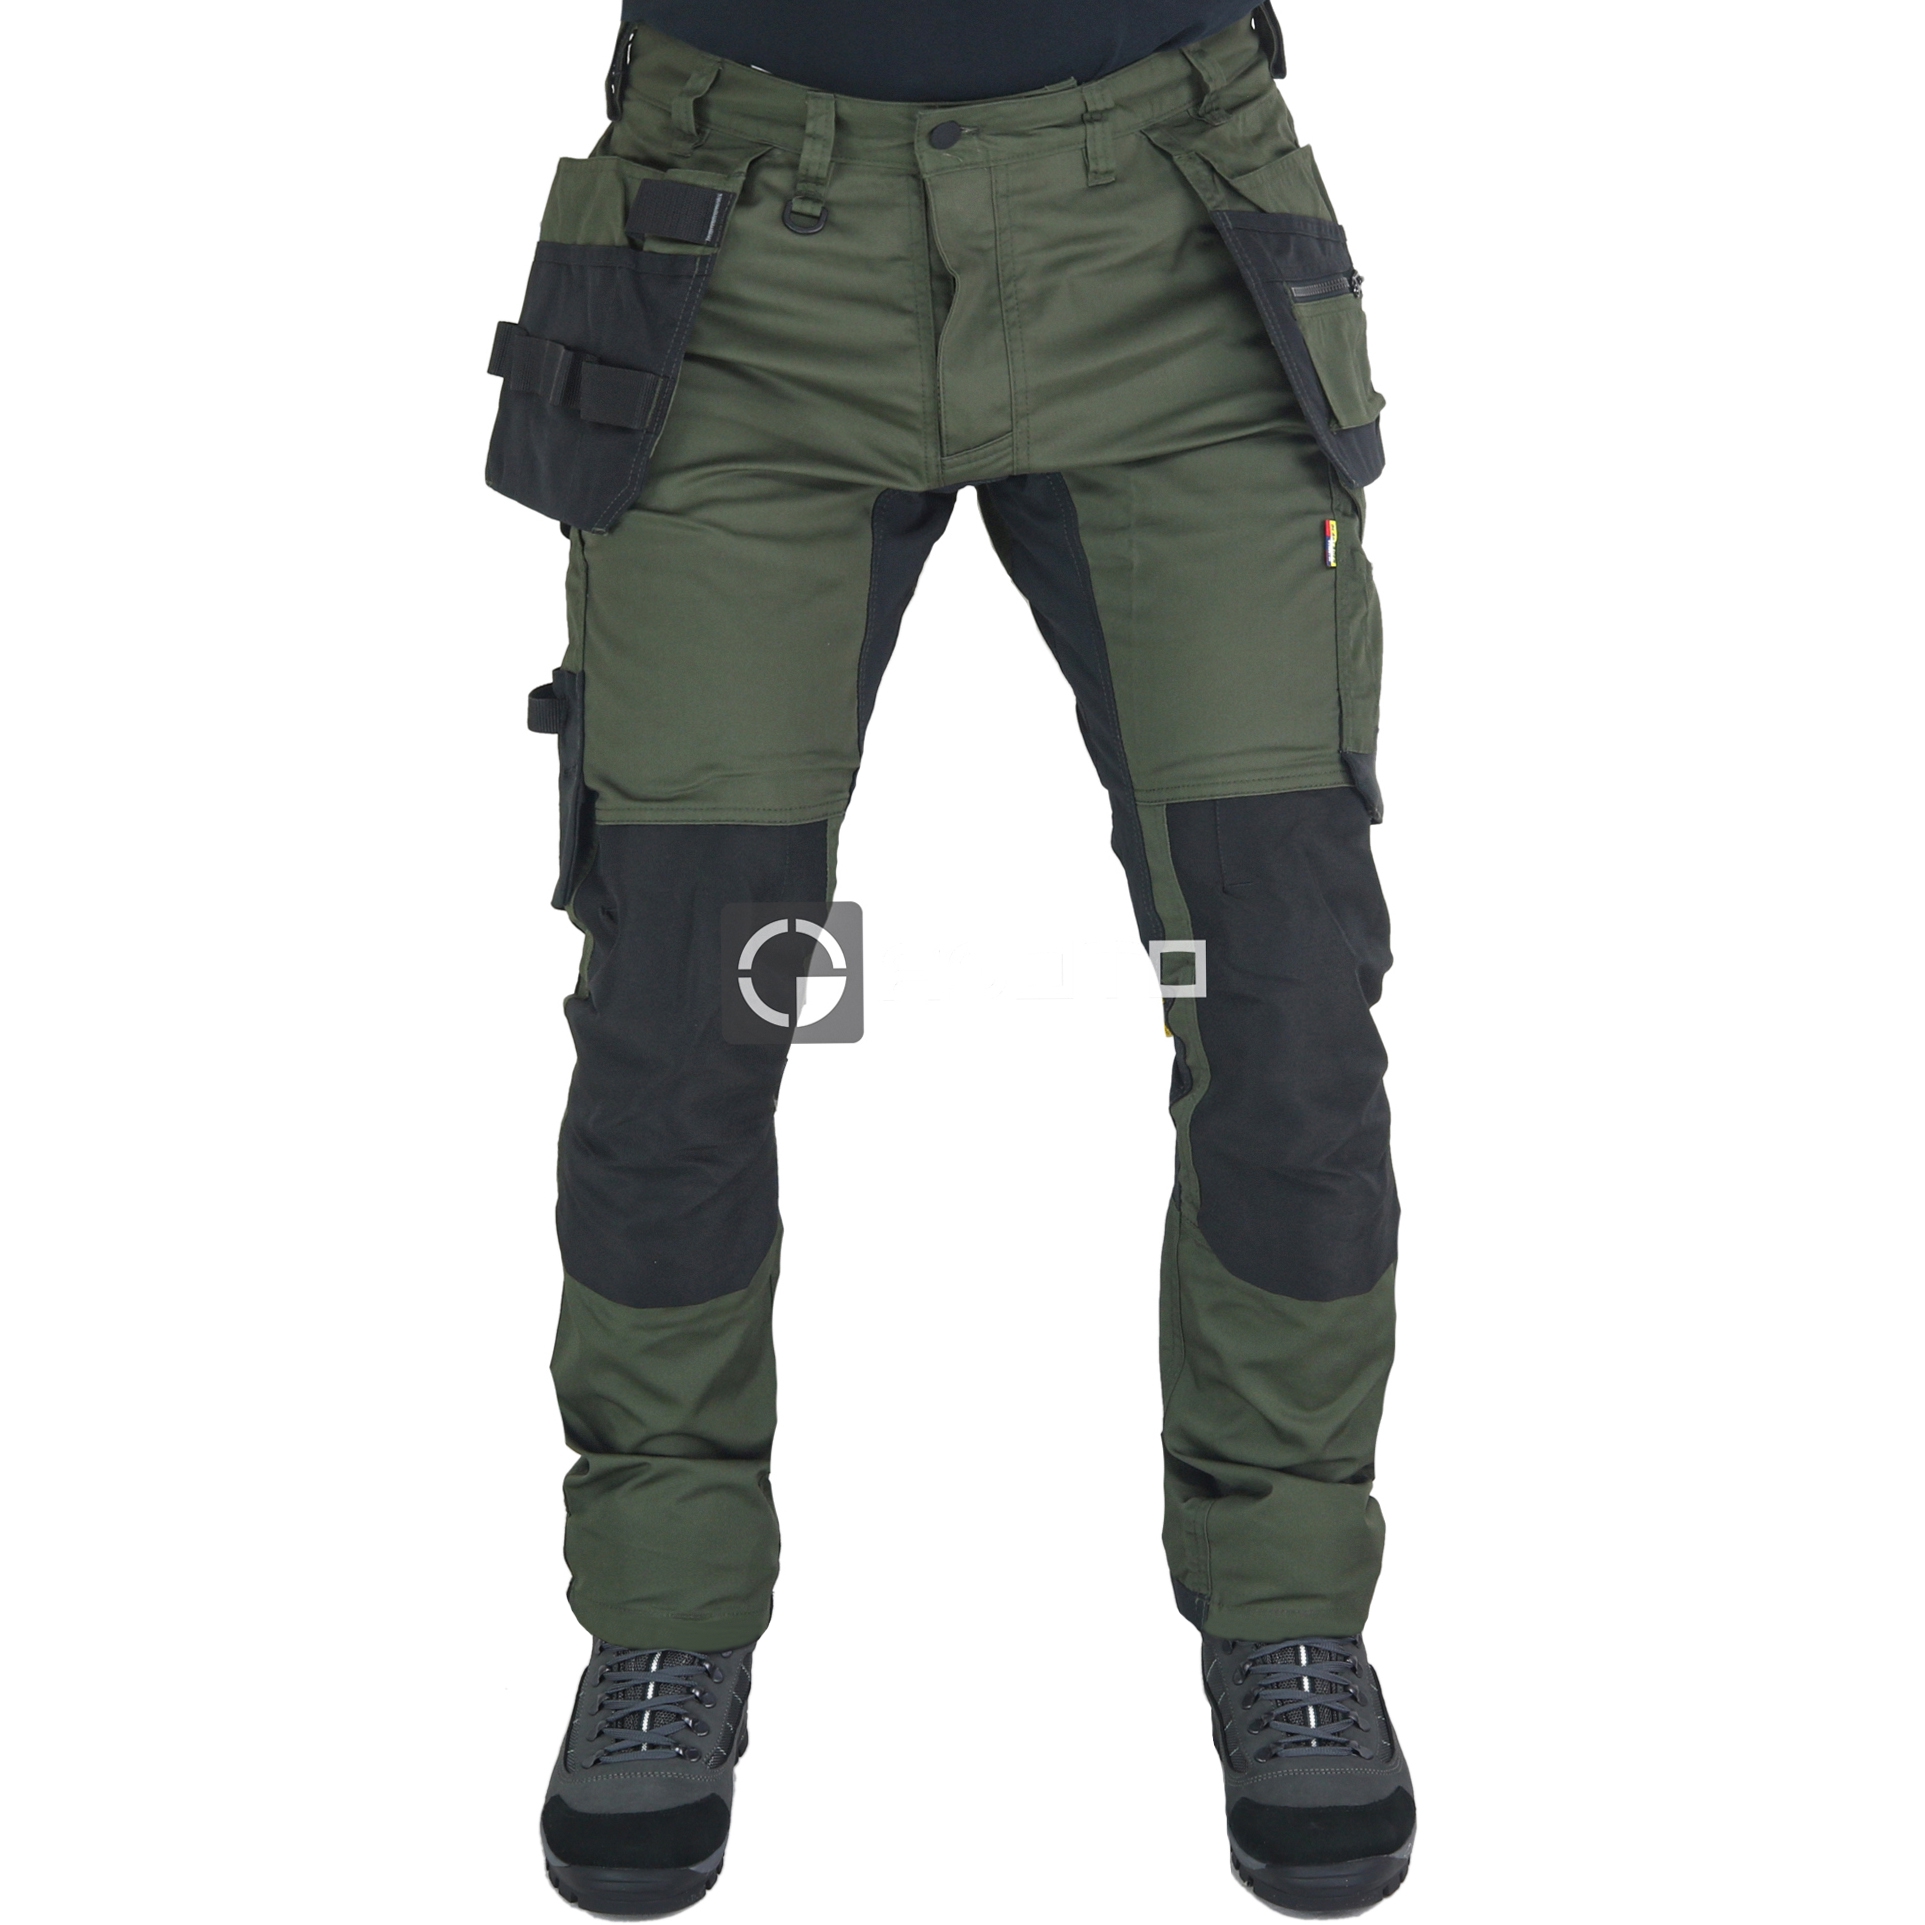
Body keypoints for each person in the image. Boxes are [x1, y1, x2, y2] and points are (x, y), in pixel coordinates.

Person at [485, 4, 1412, 1914]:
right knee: (688, 1001)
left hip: (1166, 229)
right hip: (731, 245)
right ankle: (663, 1615)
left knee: (1281, 987)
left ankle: (1286, 1602)